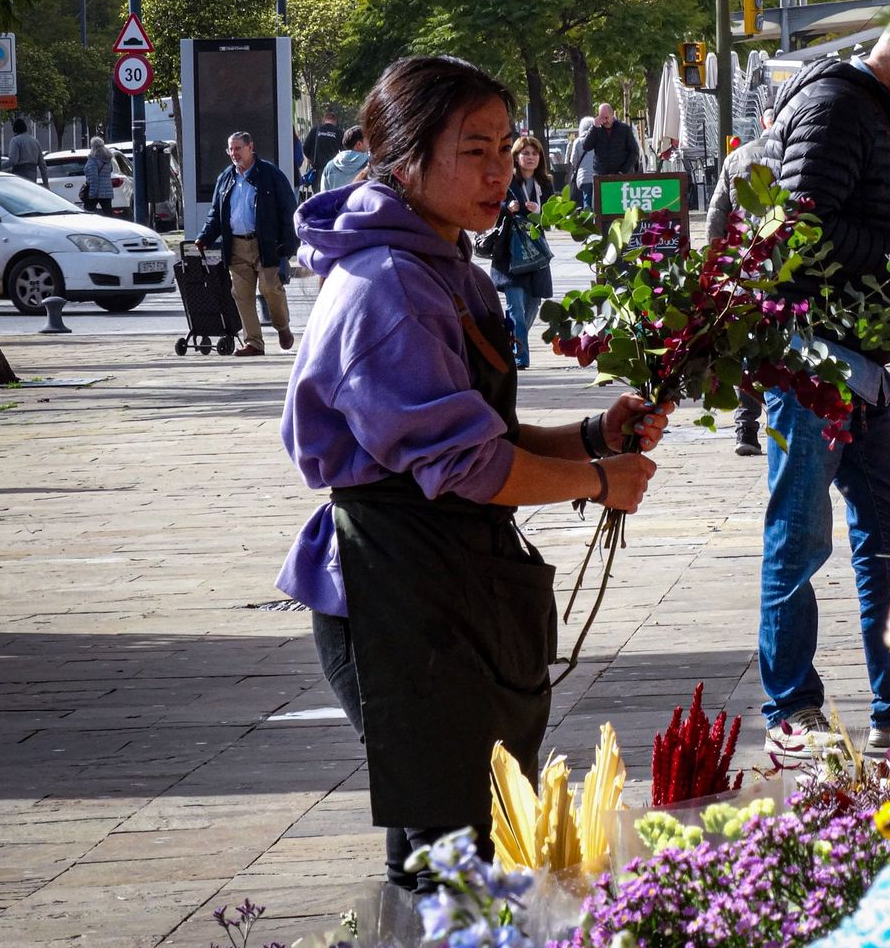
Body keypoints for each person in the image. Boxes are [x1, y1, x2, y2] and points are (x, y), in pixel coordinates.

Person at [277, 54, 670, 889]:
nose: (499, 171)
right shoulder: (386, 286)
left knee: (461, 840)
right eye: (474, 150)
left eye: (505, 147)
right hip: (395, 589)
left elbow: (485, 430)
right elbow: (470, 464)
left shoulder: (445, 263)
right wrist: (598, 479)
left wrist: (595, 433)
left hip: (449, 578)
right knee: (452, 846)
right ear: (404, 159)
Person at [761, 23, 890, 759]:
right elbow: (798, 228)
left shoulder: (877, 114)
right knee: (801, 532)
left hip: (858, 364)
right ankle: (792, 708)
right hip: (813, 359)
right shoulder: (841, 106)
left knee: (889, 532)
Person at [705, 109, 781, 457]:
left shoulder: (737, 157)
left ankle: (745, 429)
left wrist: (717, 265)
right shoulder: (796, 155)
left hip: (744, 267)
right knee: (782, 348)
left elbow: (716, 215)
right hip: (783, 268)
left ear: (764, 123)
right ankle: (779, 424)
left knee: (747, 346)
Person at [195, 131, 298, 356]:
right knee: (241, 294)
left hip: (266, 243)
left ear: (251, 147)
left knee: (270, 289)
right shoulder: (226, 178)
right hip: (236, 245)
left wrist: (289, 244)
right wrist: (204, 237)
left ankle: (282, 327)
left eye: (238, 148)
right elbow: (216, 213)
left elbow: (288, 209)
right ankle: (254, 342)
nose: (234, 154)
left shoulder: (270, 174)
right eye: (230, 149)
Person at [489, 135, 554, 370]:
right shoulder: (505, 181)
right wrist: (508, 207)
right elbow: (489, 206)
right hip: (511, 252)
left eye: (534, 154)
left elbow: (553, 215)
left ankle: (510, 343)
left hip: (536, 253)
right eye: (525, 153)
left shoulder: (544, 184)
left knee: (532, 305)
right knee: (515, 307)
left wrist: (540, 210)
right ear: (516, 157)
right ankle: (519, 357)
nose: (530, 158)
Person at [578, 103, 640, 178]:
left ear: (612, 115)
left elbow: (634, 151)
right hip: (601, 176)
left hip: (621, 176)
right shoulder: (596, 129)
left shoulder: (624, 129)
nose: (604, 121)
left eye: (606, 118)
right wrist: (594, 127)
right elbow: (586, 146)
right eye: (602, 118)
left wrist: (624, 171)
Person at [320, 125, 369, 192]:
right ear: (359, 144)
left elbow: (324, 196)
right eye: (367, 140)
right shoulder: (370, 165)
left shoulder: (330, 167)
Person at [305, 108, 343, 187]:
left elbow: (306, 147)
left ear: (324, 120)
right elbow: (344, 150)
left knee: (318, 193)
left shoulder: (315, 130)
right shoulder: (338, 132)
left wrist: (310, 158)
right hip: (333, 169)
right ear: (335, 121)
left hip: (317, 168)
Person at [7, 118, 48, 186]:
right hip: (33, 176)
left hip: (19, 177)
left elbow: (13, 161)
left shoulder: (15, 140)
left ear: (15, 130)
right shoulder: (35, 141)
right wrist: (46, 184)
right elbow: (42, 165)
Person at [569, 115, 597, 209]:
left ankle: (587, 216)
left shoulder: (578, 141)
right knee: (598, 198)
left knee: (587, 197)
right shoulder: (598, 139)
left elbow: (573, 160)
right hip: (597, 174)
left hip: (584, 176)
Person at [82, 137, 116, 214]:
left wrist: (92, 194)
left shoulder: (93, 160)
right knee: (108, 213)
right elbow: (110, 171)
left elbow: (93, 179)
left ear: (93, 146)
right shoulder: (107, 159)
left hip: (96, 192)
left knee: (87, 213)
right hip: (107, 192)